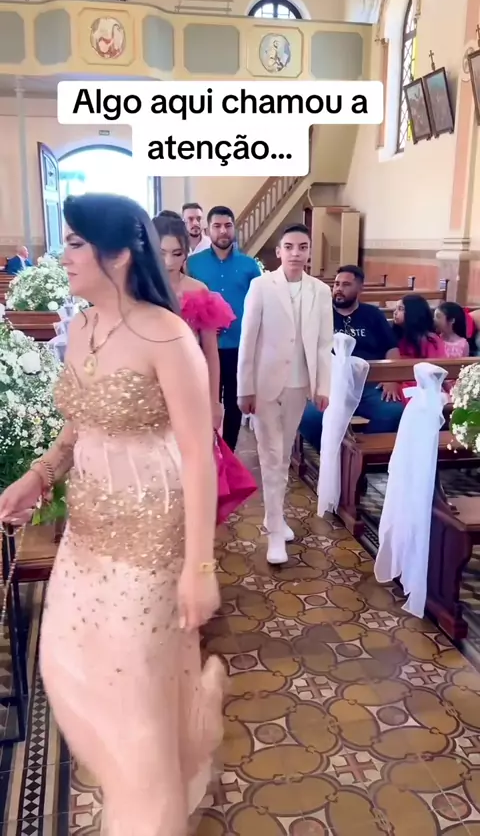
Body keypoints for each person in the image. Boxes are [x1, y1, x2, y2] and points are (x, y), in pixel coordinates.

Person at [0, 194, 225, 836]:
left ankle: (148, 814)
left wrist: (199, 567)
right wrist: (39, 475)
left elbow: (199, 456)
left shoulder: (167, 335)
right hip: (88, 532)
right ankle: (140, 789)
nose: (64, 256)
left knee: (133, 698)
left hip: (153, 537)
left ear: (120, 254)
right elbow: (79, 425)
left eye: (76, 243)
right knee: (69, 665)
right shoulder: (83, 327)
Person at [237, 224, 332, 565]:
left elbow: (323, 343)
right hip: (265, 385)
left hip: (298, 384)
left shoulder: (320, 291)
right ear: (278, 251)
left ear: (309, 252)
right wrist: (244, 388)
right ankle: (275, 532)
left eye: (302, 247)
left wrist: (322, 387)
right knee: (271, 454)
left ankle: (273, 516)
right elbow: (248, 339)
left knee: (282, 454)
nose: (295, 253)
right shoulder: (261, 286)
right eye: (289, 246)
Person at [299, 265, 403, 451]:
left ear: (359, 288)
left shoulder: (373, 315)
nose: (339, 289)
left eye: (346, 285)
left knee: (394, 412)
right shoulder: (320, 314)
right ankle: (332, 454)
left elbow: (392, 348)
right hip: (328, 385)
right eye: (336, 284)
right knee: (310, 417)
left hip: (367, 386)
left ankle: (358, 453)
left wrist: (391, 379)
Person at [188, 206, 261, 452]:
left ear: (233, 228)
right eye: (217, 226)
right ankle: (205, 451)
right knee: (203, 401)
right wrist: (202, 327)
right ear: (208, 229)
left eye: (228, 225)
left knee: (233, 403)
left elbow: (258, 305)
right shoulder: (193, 264)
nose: (223, 231)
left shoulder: (249, 266)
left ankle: (228, 453)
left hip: (238, 346)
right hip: (202, 347)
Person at [153, 215, 235, 432]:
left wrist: (214, 401)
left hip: (190, 386)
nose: (169, 262)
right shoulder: (137, 291)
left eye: (177, 253)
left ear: (186, 253)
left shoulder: (197, 291)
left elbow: (210, 352)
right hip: (147, 391)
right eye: (161, 253)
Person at [392, 293, 444, 401]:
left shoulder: (430, 339)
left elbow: (435, 368)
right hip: (397, 381)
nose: (395, 312)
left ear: (413, 312)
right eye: (396, 309)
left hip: (422, 385)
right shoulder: (394, 336)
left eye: (400, 309)